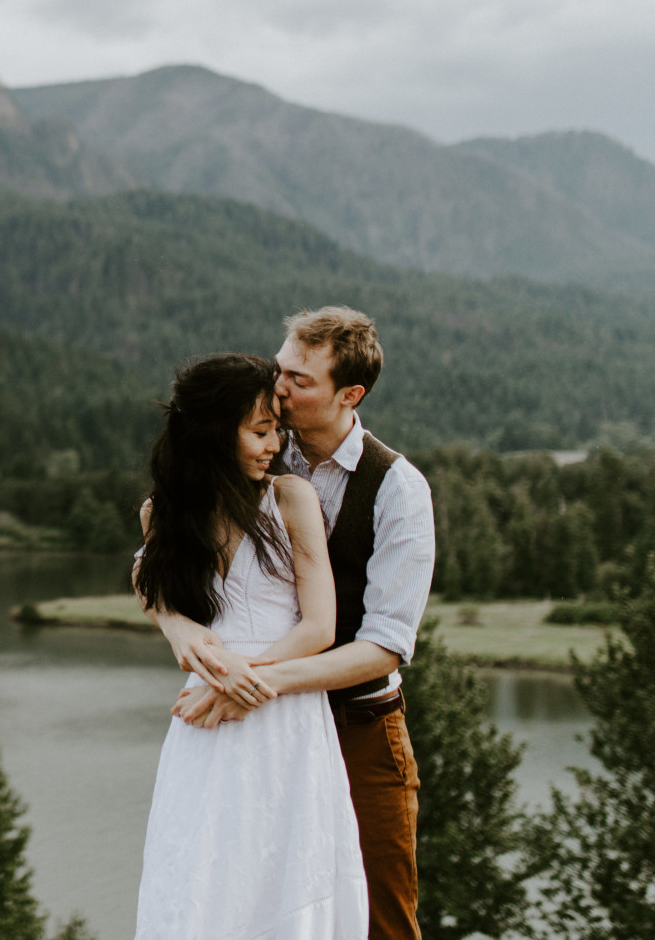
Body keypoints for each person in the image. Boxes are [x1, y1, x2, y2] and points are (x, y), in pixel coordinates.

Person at [157, 308, 436, 940]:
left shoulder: (397, 490)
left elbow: (383, 648)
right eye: (280, 369)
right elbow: (158, 556)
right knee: (253, 907)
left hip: (358, 729)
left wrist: (247, 683)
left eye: (300, 381)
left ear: (350, 395)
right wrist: (178, 628)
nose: (279, 388)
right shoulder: (250, 454)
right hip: (262, 734)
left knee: (379, 921)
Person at [131, 352, 367, 939]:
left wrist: (242, 677)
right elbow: (152, 585)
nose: (274, 445)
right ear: (214, 433)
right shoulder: (163, 513)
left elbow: (320, 628)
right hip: (204, 718)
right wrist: (178, 629)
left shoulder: (292, 499)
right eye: (260, 431)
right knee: (196, 874)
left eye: (277, 431)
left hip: (282, 711)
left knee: (283, 874)